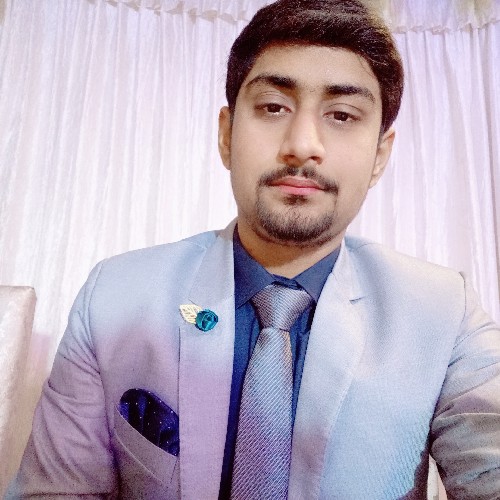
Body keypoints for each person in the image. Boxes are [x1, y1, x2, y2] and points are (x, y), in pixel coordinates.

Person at [8, 0, 500, 498]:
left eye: (342, 115)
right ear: (226, 135)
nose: (302, 144)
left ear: (380, 155)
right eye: (273, 108)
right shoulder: (115, 299)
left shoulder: (443, 312)